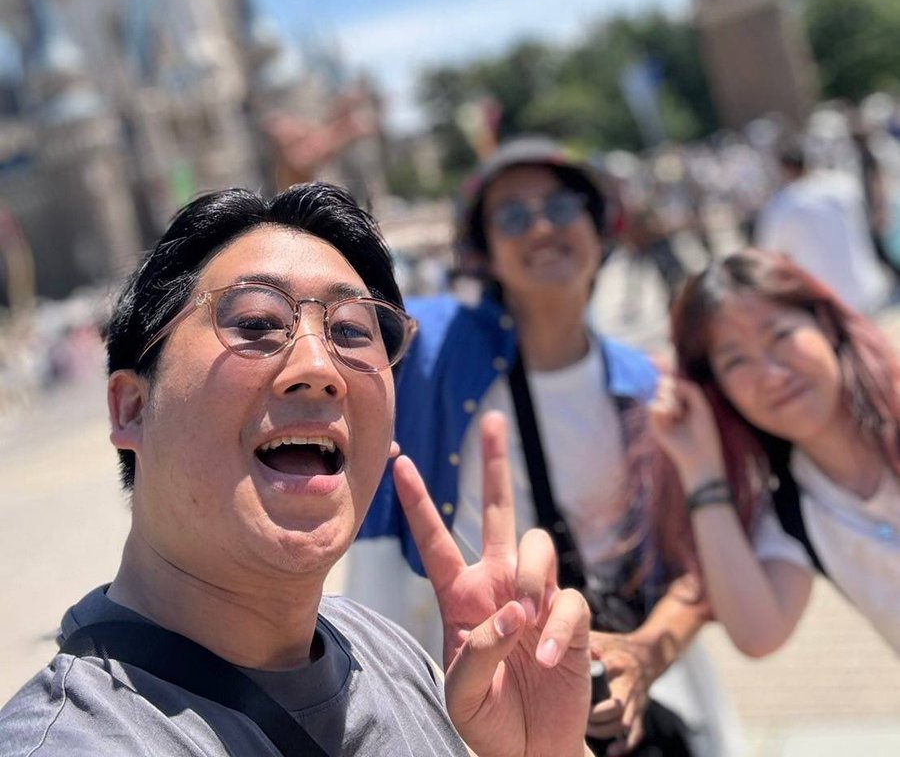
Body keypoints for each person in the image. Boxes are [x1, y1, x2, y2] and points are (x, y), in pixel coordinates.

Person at [0, 182, 596, 757]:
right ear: (132, 408)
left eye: (351, 331)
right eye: (257, 323)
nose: (318, 366)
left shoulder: (391, 655)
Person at [347, 137, 740, 757]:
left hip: (621, 704)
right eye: (511, 216)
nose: (540, 228)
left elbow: (695, 565)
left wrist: (645, 653)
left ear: (600, 226)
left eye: (560, 208)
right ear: (483, 250)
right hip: (465, 700)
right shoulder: (431, 350)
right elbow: (343, 302)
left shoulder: (645, 387)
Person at [649, 247, 900, 657]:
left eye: (780, 336)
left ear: (825, 324)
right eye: (736, 362)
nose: (771, 375)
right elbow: (757, 634)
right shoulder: (793, 513)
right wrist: (701, 471)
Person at [754, 136, 893, 315]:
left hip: (827, 300)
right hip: (868, 288)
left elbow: (767, 255)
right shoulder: (844, 185)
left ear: (784, 168)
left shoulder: (783, 205)